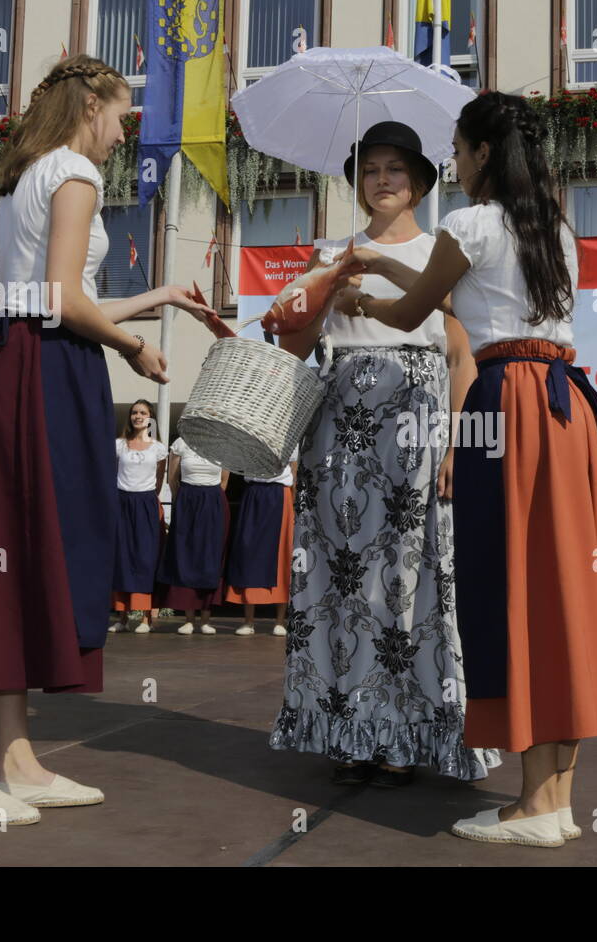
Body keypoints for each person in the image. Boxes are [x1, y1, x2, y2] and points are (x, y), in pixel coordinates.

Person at [0, 55, 216, 824]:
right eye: (120, 116)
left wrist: (160, 298)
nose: (123, 134)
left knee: (8, 556)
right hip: (46, 370)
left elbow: (47, 296)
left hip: (24, 362)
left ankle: (14, 759)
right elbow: (61, 299)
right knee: (2, 561)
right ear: (90, 106)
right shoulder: (76, 174)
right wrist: (135, 348)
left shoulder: (27, 177)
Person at [333, 93, 597, 847]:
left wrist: (358, 285)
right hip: (568, 407)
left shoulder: (470, 222)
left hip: (509, 404)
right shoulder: (551, 226)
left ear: (483, 152)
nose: (452, 165)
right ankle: (555, 798)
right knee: (563, 598)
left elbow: (415, 309)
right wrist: (380, 256)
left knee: (509, 589)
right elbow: (459, 285)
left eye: (457, 151)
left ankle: (531, 806)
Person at [267, 121, 492, 789]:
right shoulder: (331, 250)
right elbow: (296, 350)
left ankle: (405, 733)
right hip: (340, 425)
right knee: (340, 579)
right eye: (371, 169)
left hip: (417, 420)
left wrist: (457, 440)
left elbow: (460, 353)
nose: (383, 179)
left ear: (420, 182)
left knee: (409, 579)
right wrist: (320, 296)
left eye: (396, 168)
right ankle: (348, 728)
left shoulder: (441, 249)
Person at [157, 437, 228, 634]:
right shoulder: (181, 443)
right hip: (187, 499)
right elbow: (172, 478)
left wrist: (209, 501)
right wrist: (185, 500)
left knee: (209, 557)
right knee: (186, 555)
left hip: (212, 500)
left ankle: (206, 618)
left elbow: (224, 481)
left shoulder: (223, 443)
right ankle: (188, 618)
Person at [110, 399, 168, 634]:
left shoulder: (158, 448)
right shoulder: (118, 445)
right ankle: (122, 617)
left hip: (145, 503)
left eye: (143, 412)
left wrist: (147, 501)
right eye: (134, 412)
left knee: (145, 557)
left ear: (150, 417)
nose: (138, 416)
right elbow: (112, 474)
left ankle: (146, 618)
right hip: (121, 502)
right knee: (122, 557)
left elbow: (160, 479)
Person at [224, 457, 295, 637]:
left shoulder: (290, 440)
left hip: (280, 492)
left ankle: (280, 621)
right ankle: (248, 621)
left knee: (282, 554)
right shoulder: (250, 435)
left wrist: (294, 504)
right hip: (254, 492)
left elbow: (294, 472)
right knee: (249, 553)